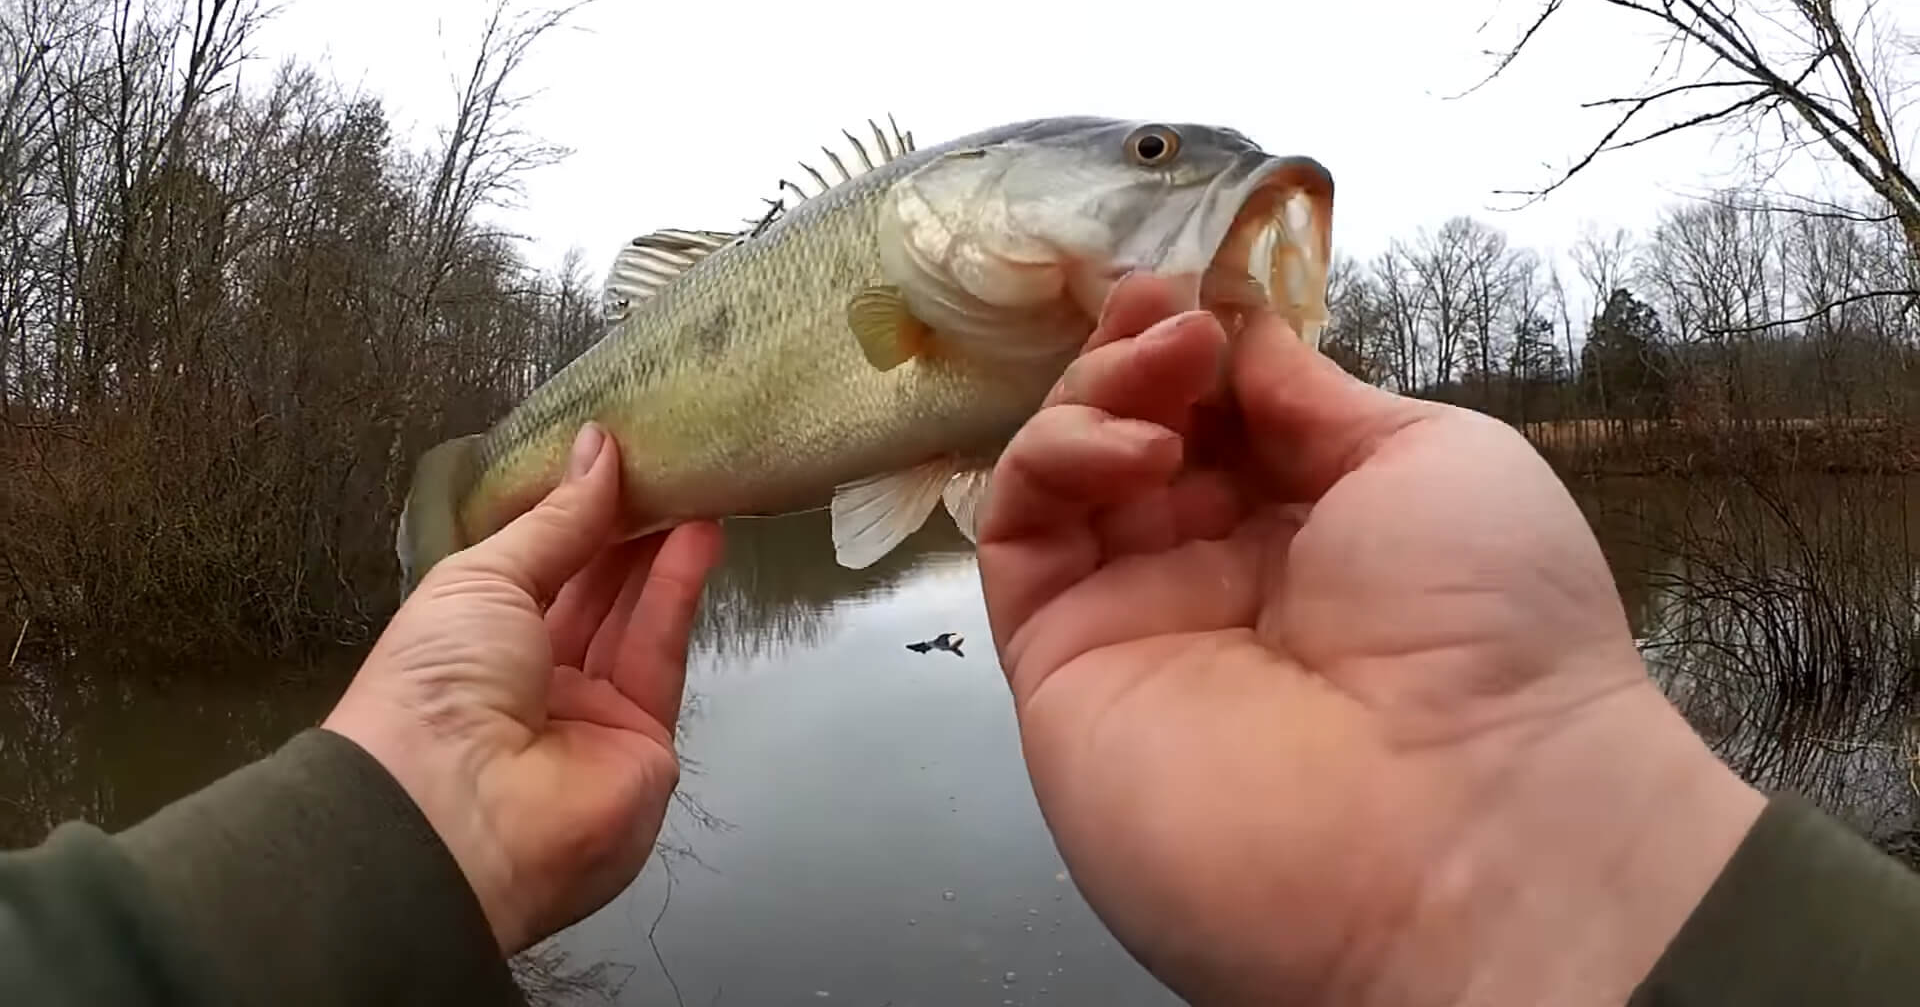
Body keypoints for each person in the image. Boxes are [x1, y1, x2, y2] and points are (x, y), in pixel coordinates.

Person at [4, 273, 1920, 1006]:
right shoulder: (907, 285)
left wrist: (1494, 825)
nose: (1184, 195)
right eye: (1151, 159)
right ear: (966, 230)